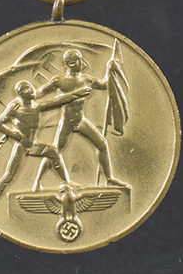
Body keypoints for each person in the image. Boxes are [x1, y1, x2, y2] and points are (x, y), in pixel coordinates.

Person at [0, 79, 90, 217]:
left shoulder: (36, 106)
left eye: (30, 86)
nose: (32, 89)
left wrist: (77, 93)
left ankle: (65, 182)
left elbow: (58, 101)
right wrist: (14, 134)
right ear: (21, 93)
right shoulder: (15, 108)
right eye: (27, 88)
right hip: (22, 146)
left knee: (53, 152)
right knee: (9, 176)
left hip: (33, 145)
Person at [32, 49, 128, 192]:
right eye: (78, 60)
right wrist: (24, 98)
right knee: (55, 152)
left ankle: (109, 179)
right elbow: (38, 94)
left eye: (80, 59)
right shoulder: (59, 81)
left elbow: (104, 85)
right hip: (67, 123)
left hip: (80, 121)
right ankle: (37, 183)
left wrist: (110, 69)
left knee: (102, 144)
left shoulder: (86, 79)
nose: (81, 63)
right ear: (70, 63)